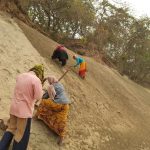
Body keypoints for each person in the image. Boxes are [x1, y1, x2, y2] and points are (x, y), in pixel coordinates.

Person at [0, 64, 44, 150]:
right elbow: (38, 97)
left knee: (11, 128)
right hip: (24, 112)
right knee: (21, 135)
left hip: (14, 107)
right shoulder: (36, 80)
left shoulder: (21, 76)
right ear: (39, 73)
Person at [35, 76, 70, 145]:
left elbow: (45, 96)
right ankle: (61, 137)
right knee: (61, 119)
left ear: (50, 81)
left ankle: (37, 116)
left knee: (44, 103)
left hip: (57, 104)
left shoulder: (51, 87)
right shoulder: (60, 85)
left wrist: (37, 101)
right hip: (66, 105)